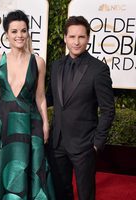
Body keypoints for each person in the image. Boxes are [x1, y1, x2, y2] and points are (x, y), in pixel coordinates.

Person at [0, 10, 55, 200]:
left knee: (30, 164)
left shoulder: (38, 62)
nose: (19, 35)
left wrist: (46, 124)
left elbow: (40, 97)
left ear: (28, 32)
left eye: (23, 31)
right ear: (7, 34)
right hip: (1, 121)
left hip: (29, 121)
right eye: (14, 31)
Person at [46, 16, 115, 200]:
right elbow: (48, 99)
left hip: (84, 145)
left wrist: (96, 143)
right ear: (65, 38)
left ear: (88, 38)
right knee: (61, 192)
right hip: (57, 143)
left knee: (86, 194)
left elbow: (108, 109)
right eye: (72, 37)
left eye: (81, 37)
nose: (76, 42)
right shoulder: (56, 66)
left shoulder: (98, 69)